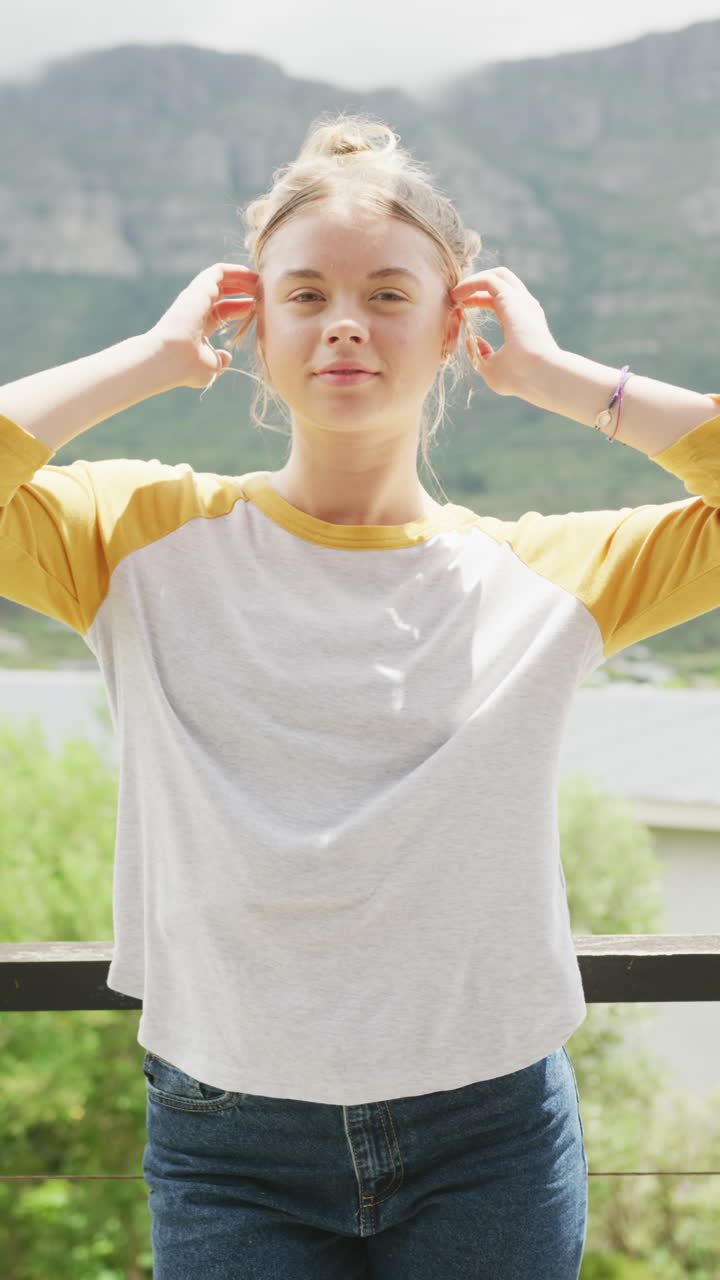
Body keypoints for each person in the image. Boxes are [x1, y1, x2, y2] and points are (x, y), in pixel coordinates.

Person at [1, 111, 718, 1280]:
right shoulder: (130, 537)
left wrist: (557, 376)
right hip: (226, 1134)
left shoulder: (549, 573)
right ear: (250, 325)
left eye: (390, 294)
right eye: (305, 294)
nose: (346, 322)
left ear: (455, 326)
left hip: (492, 1135)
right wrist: (149, 353)